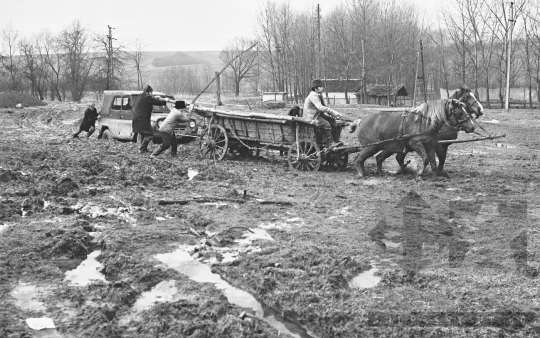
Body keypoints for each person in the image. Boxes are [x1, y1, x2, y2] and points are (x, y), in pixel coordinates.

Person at [303, 79, 342, 147]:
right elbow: (320, 107)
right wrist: (334, 112)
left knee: (332, 121)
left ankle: (335, 140)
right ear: (316, 88)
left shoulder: (318, 95)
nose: (322, 88)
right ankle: (330, 143)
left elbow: (324, 107)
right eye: (320, 87)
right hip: (311, 117)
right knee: (326, 124)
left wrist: (333, 114)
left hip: (317, 115)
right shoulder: (313, 96)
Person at [132, 85, 169, 153]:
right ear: (148, 92)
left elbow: (152, 99)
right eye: (151, 92)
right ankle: (142, 149)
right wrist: (165, 101)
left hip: (138, 118)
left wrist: (155, 98)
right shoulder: (147, 97)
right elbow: (156, 102)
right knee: (149, 135)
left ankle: (143, 149)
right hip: (142, 119)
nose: (152, 93)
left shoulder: (141, 96)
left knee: (144, 134)